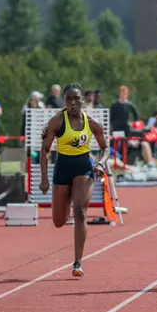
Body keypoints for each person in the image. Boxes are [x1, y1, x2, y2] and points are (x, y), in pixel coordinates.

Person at [39, 83, 110, 277]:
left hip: (83, 167)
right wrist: (44, 179)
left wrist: (101, 163)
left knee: (80, 212)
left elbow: (105, 148)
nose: (72, 103)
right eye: (68, 99)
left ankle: (78, 262)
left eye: (76, 99)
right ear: (64, 101)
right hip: (63, 168)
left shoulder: (92, 123)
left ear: (83, 100)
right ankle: (68, 197)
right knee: (59, 221)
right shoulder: (56, 122)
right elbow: (44, 151)